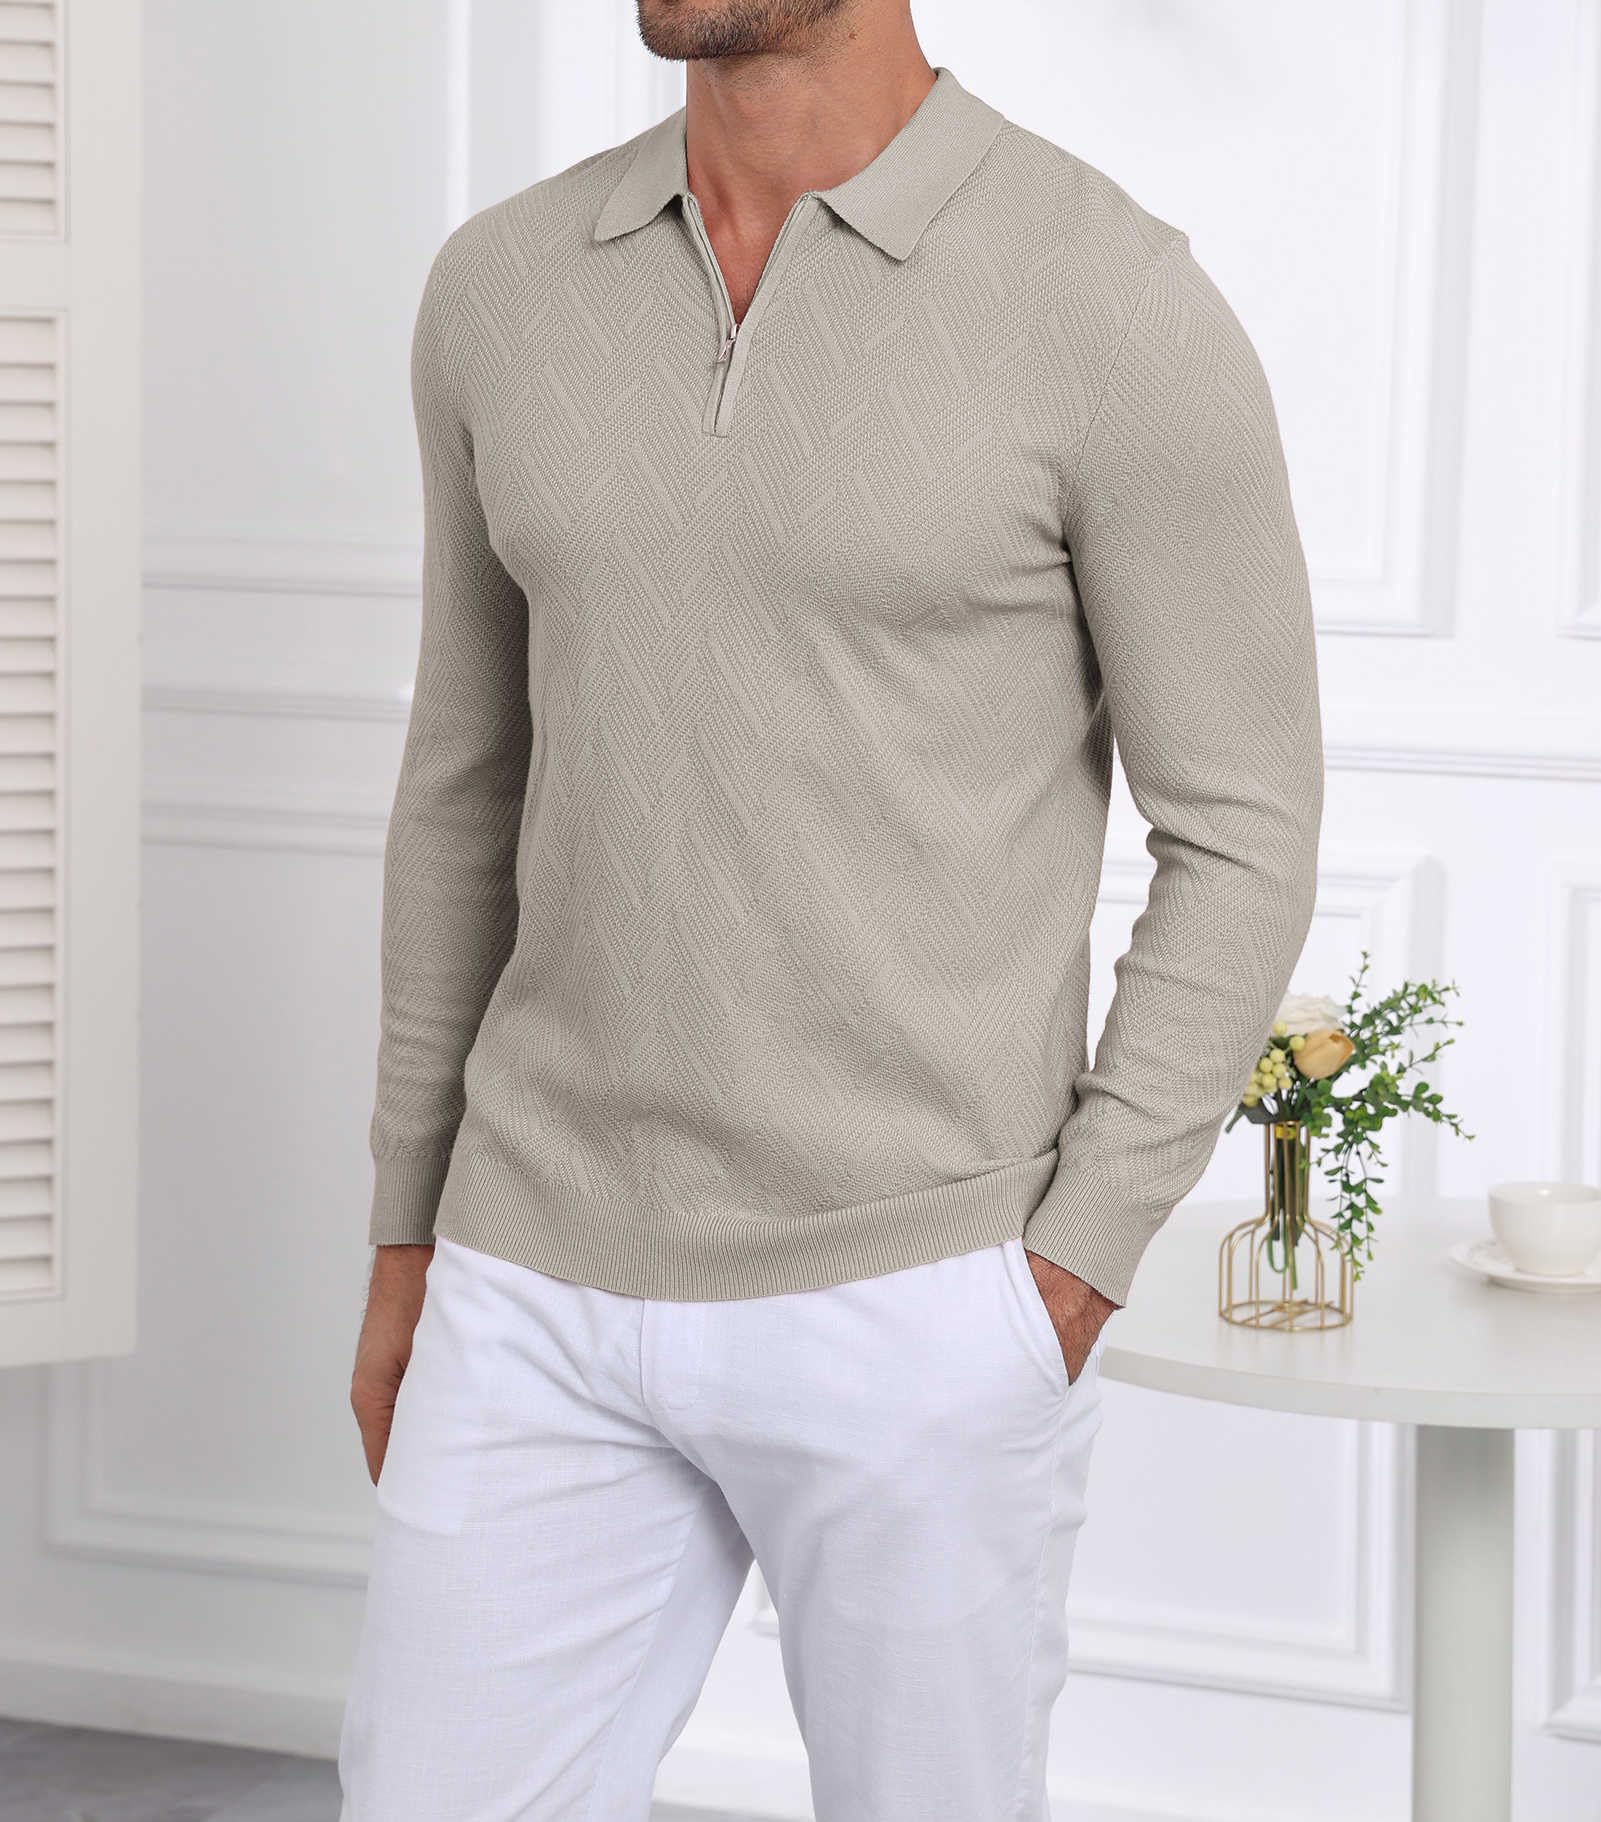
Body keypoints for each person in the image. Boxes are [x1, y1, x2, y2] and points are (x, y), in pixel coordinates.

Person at [338, 3, 1325, 1817]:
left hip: (918, 1287)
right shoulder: (499, 288)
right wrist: (411, 1235)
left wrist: (1071, 1258)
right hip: (530, 1266)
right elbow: (463, 784)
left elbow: (1243, 824)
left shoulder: (1110, 301)